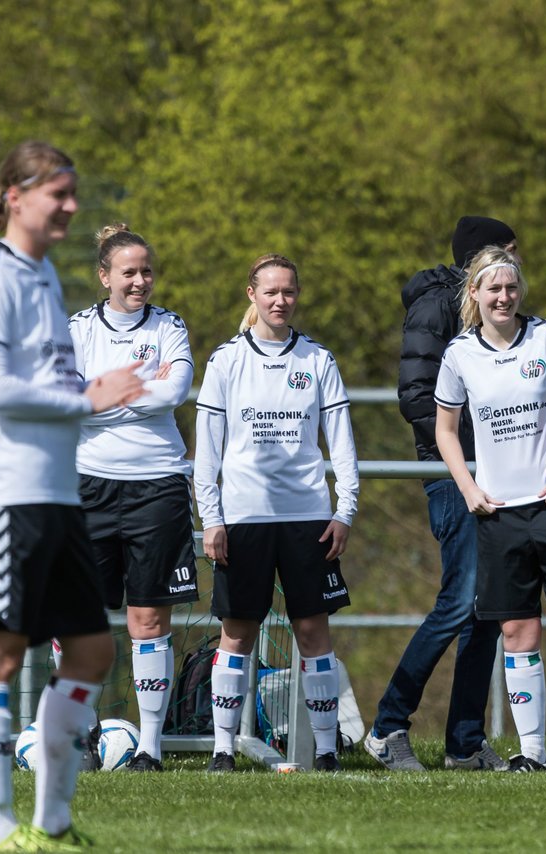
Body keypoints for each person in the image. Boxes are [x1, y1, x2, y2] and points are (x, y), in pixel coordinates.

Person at [0, 141, 144, 851]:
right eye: (58, 193)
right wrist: (87, 398)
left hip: (58, 498)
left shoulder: (42, 275)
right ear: (15, 195)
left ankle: (54, 824)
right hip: (5, 492)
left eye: (72, 192)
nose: (69, 205)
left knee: (92, 652)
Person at [434, 245, 546, 773]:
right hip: (499, 513)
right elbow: (445, 430)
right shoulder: (458, 354)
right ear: (475, 294)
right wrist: (469, 488)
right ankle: (532, 750)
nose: (504, 297)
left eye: (511, 288)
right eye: (493, 288)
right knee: (517, 633)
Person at [194, 253, 358, 773]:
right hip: (243, 518)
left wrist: (345, 509)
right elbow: (208, 450)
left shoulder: (317, 359)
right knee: (237, 632)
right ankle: (223, 748)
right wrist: (211, 516)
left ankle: (326, 751)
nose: (280, 301)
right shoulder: (225, 361)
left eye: (288, 291)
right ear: (252, 295)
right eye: (270, 292)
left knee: (313, 632)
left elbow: (342, 443)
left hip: (308, 515)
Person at [364, 216, 516, 772]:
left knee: (486, 608)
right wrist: (465, 459)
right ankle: (387, 728)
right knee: (460, 598)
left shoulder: (497, 316)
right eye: (509, 254)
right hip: (454, 472)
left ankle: (465, 742)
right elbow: (415, 396)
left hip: (499, 470)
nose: (515, 270)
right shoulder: (435, 306)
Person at [65, 223, 199, 772]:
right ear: (105, 277)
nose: (140, 281)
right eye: (129, 272)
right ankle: (80, 733)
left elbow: (178, 388)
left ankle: (149, 746)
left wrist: (105, 393)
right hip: (86, 483)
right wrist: (138, 391)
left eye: (146, 271)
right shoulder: (75, 329)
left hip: (157, 485)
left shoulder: (170, 325)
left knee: (149, 620)